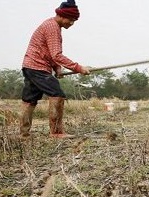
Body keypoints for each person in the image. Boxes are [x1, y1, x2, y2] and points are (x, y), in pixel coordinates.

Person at [20, 0, 91, 139]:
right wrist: (78, 68)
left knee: (29, 100)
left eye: (74, 21)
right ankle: (56, 132)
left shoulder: (50, 24)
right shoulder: (53, 27)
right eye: (71, 20)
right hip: (37, 66)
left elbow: (49, 52)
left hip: (30, 65)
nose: (72, 23)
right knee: (57, 94)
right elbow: (56, 55)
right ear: (62, 16)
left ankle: (23, 134)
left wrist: (57, 68)